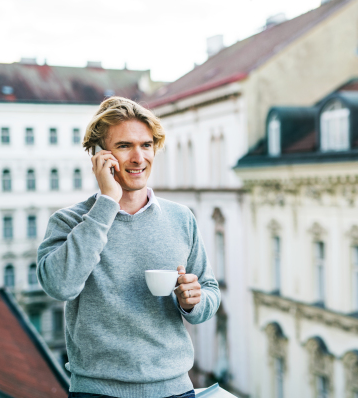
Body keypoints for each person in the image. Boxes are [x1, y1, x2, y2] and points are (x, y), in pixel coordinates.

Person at [37, 96, 220, 398]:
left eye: (146, 145)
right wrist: (106, 203)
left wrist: (192, 301)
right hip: (97, 393)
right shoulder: (69, 222)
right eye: (124, 146)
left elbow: (210, 292)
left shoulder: (181, 218)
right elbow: (59, 286)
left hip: (175, 390)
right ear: (98, 155)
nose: (138, 158)